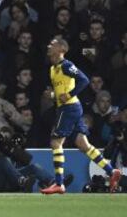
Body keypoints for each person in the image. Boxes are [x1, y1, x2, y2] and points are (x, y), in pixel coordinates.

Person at [40, 38, 121, 194]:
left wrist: (69, 94)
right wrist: (53, 95)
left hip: (69, 108)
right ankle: (112, 171)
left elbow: (84, 80)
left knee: (56, 142)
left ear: (61, 49)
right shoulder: (53, 69)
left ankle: (59, 183)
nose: (49, 45)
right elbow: (61, 92)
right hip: (68, 107)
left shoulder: (66, 65)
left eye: (53, 44)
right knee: (83, 145)